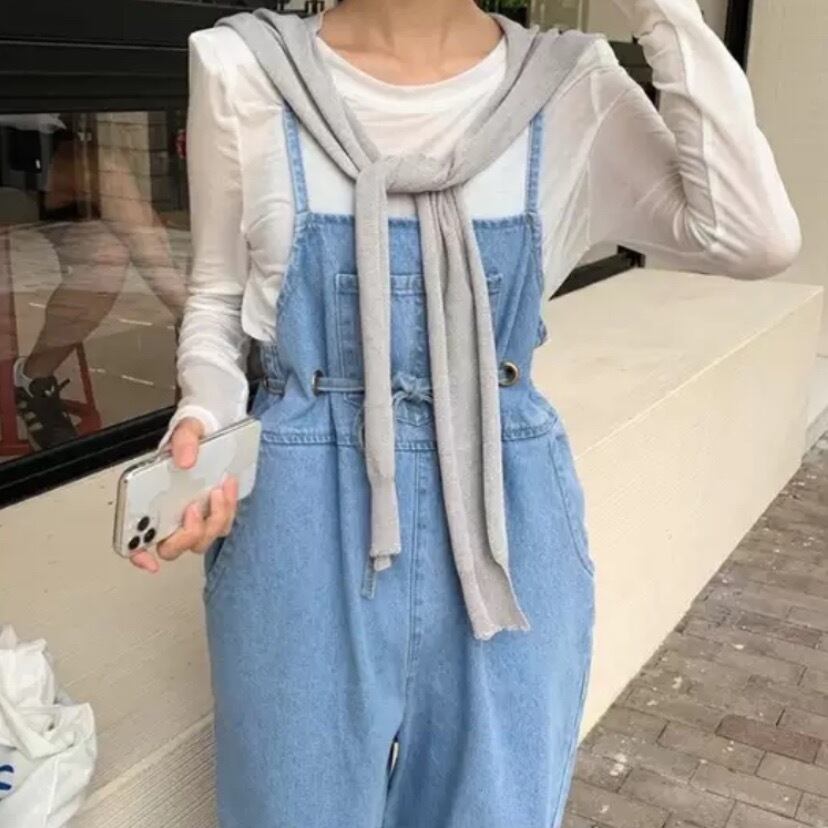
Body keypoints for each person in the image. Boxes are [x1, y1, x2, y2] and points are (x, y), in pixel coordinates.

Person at [129, 1, 801, 825]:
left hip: (503, 514)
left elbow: (751, 236)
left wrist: (662, 14)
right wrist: (205, 417)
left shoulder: (569, 84)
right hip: (300, 512)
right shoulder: (244, 67)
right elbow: (219, 298)